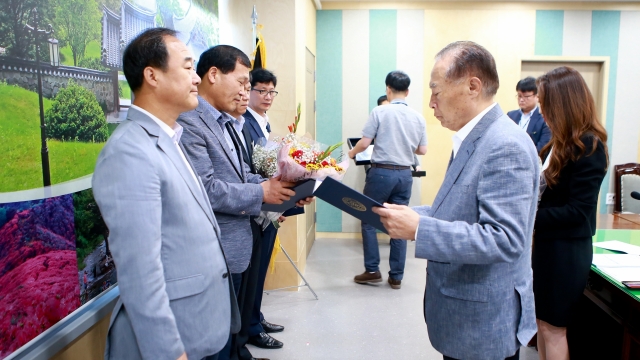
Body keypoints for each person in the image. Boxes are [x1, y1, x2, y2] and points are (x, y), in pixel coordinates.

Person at [373, 41, 539, 360]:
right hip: (465, 313)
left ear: (472, 86)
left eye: (436, 90)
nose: (431, 103)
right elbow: (459, 209)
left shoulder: (505, 146)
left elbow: (504, 238)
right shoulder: (474, 138)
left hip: (483, 321)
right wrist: (408, 215)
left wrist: (420, 229)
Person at [92, 28, 238, 360]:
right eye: (187, 67)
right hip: (173, 341)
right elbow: (140, 272)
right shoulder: (129, 152)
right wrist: (169, 352)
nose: (197, 78)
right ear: (152, 75)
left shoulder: (168, 137)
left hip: (198, 323)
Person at [177, 46, 310, 360]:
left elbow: (243, 175)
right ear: (213, 75)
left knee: (229, 328)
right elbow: (205, 189)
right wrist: (264, 193)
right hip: (215, 251)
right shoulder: (192, 123)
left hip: (236, 245)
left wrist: (284, 189)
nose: (246, 92)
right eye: (243, 83)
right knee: (215, 339)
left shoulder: (225, 122)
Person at [532, 66, 608, 360]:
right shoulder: (556, 143)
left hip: (566, 251)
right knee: (542, 325)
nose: (542, 111)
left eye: (545, 103)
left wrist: (527, 219)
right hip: (547, 247)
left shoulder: (589, 145)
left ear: (563, 103)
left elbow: (577, 211)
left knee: (554, 329)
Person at [348, 70, 427, 290]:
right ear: (408, 91)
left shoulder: (380, 111)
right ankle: (396, 277)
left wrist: (350, 155)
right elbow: (422, 150)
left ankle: (372, 270)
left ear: (388, 89)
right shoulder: (418, 117)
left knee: (367, 218)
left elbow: (364, 143)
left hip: (381, 173)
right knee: (400, 223)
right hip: (404, 175)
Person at [243, 68, 295, 350]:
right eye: (260, 90)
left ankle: (256, 317)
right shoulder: (243, 122)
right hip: (257, 204)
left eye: (271, 91)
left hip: (269, 205)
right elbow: (253, 167)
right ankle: (251, 326)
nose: (267, 96)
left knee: (260, 270)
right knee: (255, 269)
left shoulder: (262, 121)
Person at [507, 76, 551, 153]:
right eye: (519, 96)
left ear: (536, 97)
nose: (521, 100)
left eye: (526, 96)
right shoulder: (510, 116)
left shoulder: (543, 118)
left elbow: (543, 147)